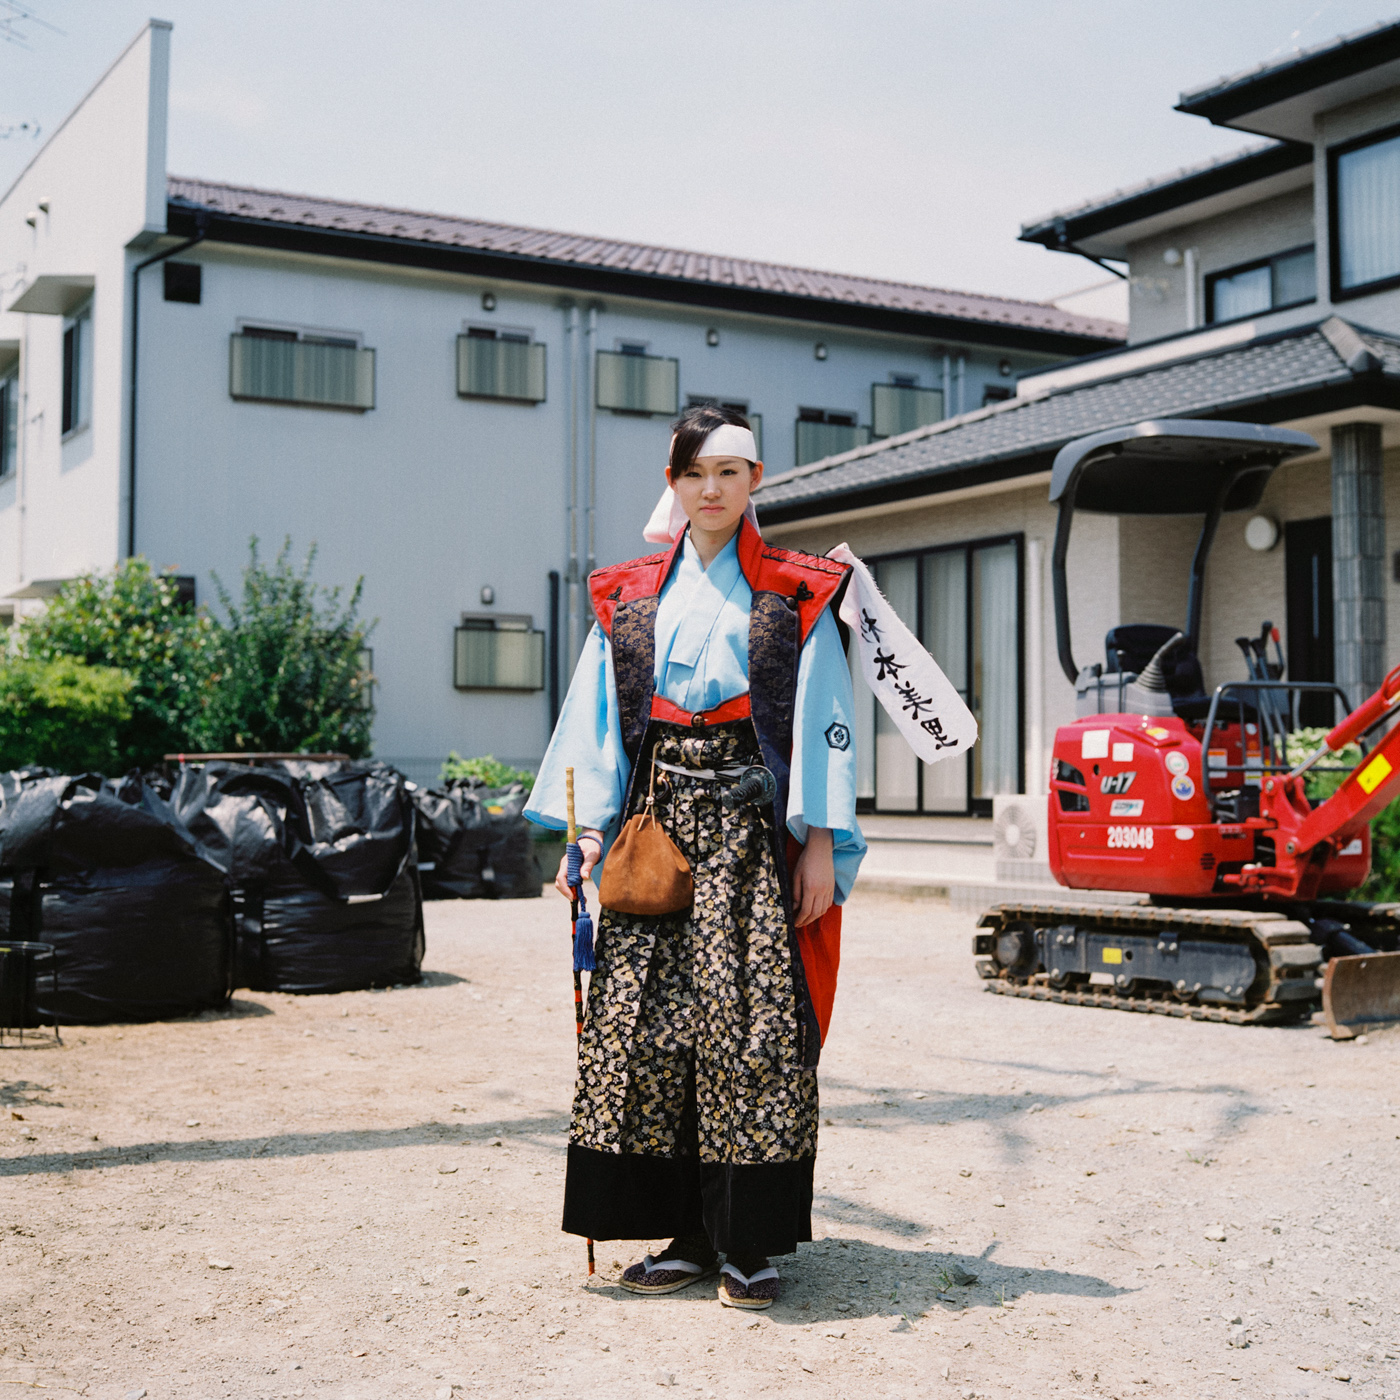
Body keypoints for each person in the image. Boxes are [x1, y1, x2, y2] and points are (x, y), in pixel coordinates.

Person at [525, 403, 865, 1310]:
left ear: (756, 480)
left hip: (753, 839)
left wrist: (819, 842)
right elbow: (598, 721)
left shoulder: (800, 591)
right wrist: (585, 832)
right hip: (653, 831)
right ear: (671, 482)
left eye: (728, 473)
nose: (710, 490)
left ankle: (746, 1242)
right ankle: (681, 1233)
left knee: (751, 1027)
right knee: (648, 1025)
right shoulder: (627, 594)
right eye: (693, 474)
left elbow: (825, 718)